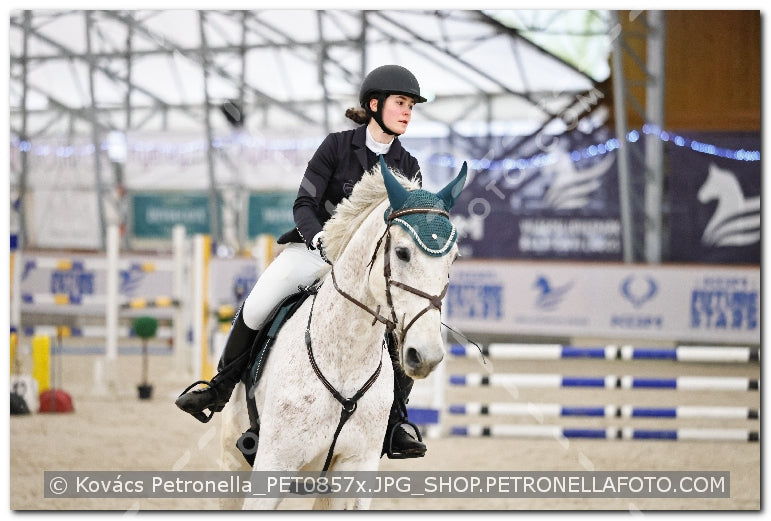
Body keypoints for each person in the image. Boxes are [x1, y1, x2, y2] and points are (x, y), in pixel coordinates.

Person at [175, 65, 429, 458]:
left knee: (403, 328)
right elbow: (304, 204)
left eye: (411, 105)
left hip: (367, 272)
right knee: (259, 302)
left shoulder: (408, 165)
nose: (408, 111)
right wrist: (319, 238)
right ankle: (221, 387)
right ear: (374, 105)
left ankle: (394, 421)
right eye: (401, 103)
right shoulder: (336, 147)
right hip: (314, 252)